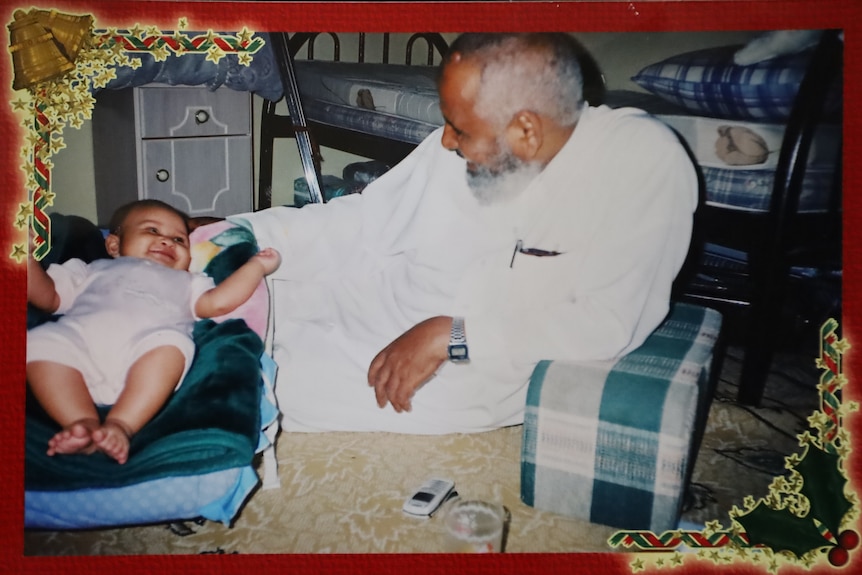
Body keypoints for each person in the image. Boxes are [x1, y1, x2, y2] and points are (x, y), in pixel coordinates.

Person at [230, 32, 698, 434]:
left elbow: (607, 323)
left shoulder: (642, 161)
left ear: (527, 131)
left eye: (458, 129)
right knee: (228, 289)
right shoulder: (457, 145)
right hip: (383, 295)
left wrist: (450, 336)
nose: (446, 141)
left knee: (246, 380)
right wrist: (237, 233)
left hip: (470, 363)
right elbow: (360, 222)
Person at [27, 199, 281, 464]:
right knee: (40, 341)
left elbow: (218, 302)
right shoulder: (89, 268)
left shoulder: (188, 281)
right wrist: (26, 259)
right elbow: (48, 297)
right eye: (153, 231)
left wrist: (256, 267)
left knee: (172, 345)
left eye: (179, 240)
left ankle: (121, 426)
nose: (167, 242)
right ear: (114, 245)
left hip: (146, 357)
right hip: (79, 349)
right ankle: (81, 423)